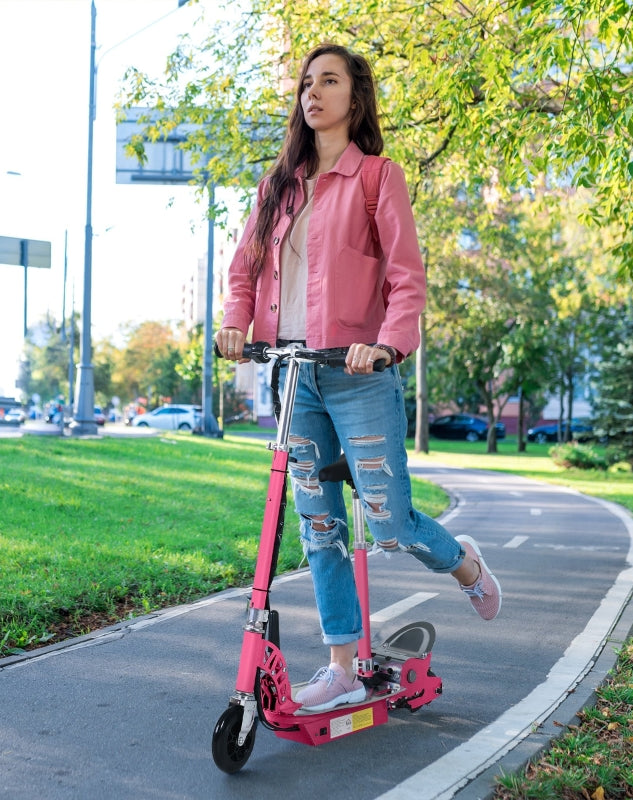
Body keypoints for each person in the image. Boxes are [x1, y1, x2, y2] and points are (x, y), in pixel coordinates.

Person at [215, 42, 501, 713]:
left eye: (329, 81)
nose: (313, 93)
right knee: (319, 526)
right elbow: (243, 274)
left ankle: (464, 562)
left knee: (388, 522)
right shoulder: (275, 188)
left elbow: (407, 279)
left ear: (354, 98)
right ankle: (342, 665)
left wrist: (387, 345)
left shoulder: (378, 177)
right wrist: (236, 324)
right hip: (296, 376)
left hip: (357, 372)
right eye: (306, 83)